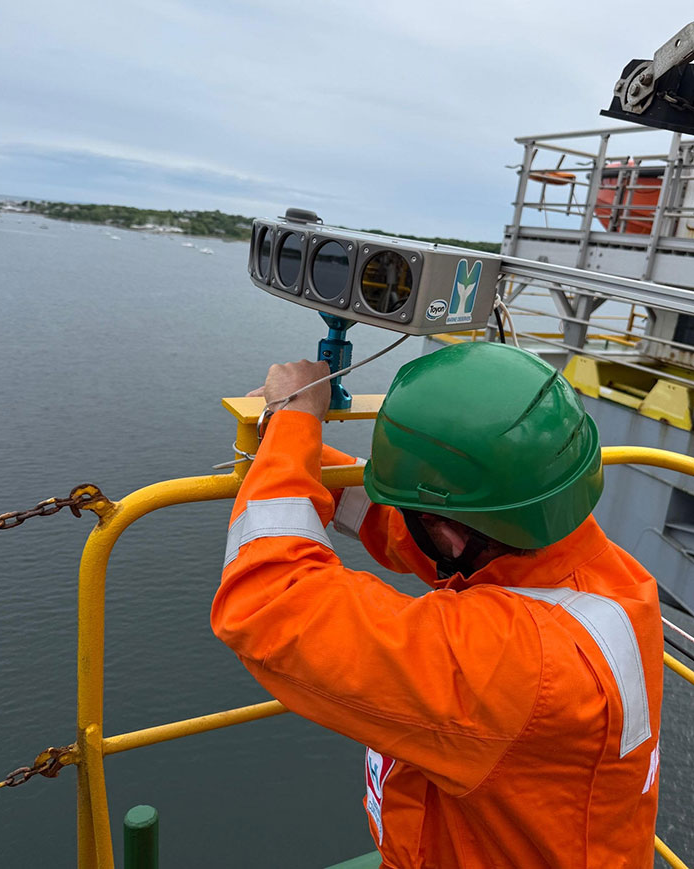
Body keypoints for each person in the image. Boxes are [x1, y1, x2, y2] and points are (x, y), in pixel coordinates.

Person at [211, 342, 663, 869]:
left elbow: (269, 602)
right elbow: (430, 535)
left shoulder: (512, 662)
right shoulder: (598, 572)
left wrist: (294, 419)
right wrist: (290, 445)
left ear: (447, 530)